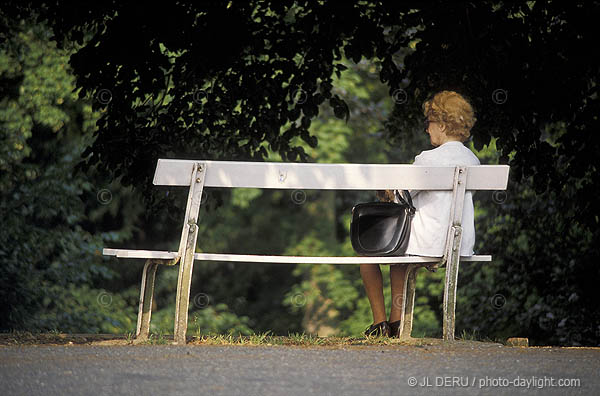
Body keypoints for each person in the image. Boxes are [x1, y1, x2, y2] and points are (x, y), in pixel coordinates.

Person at [360, 90, 481, 337]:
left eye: (429, 123)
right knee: (399, 259)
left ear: (443, 125)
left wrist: (385, 190)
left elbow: (400, 195)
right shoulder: (473, 160)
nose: (427, 130)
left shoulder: (428, 159)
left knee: (367, 253)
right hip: (460, 243)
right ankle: (395, 325)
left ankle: (379, 323)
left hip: (428, 241)